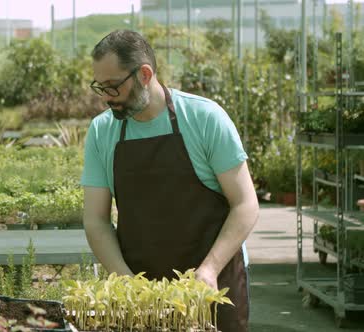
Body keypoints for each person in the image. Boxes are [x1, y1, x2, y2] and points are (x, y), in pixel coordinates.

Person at [81, 30, 259, 331]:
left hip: (211, 285)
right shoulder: (102, 132)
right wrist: (124, 279)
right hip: (142, 290)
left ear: (145, 74)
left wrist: (210, 270)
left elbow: (245, 204)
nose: (106, 99)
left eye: (113, 88)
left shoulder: (204, 118)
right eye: (100, 88)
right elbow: (96, 219)